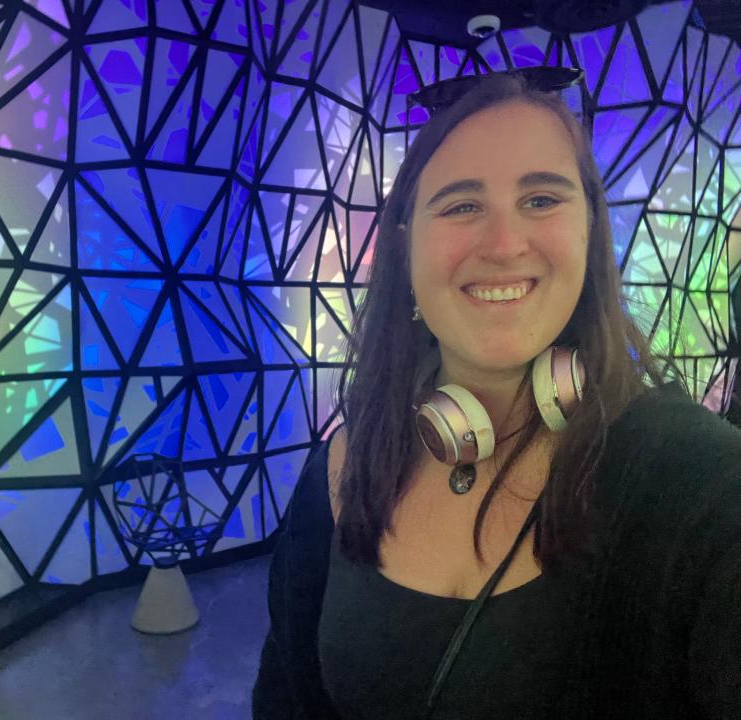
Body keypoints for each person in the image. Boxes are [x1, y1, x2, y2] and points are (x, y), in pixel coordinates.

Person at [251, 70, 741, 719]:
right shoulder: (340, 468)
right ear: (406, 246)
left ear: (590, 232)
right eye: (461, 205)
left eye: (541, 199)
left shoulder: (701, 481)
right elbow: (288, 696)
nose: (505, 244)